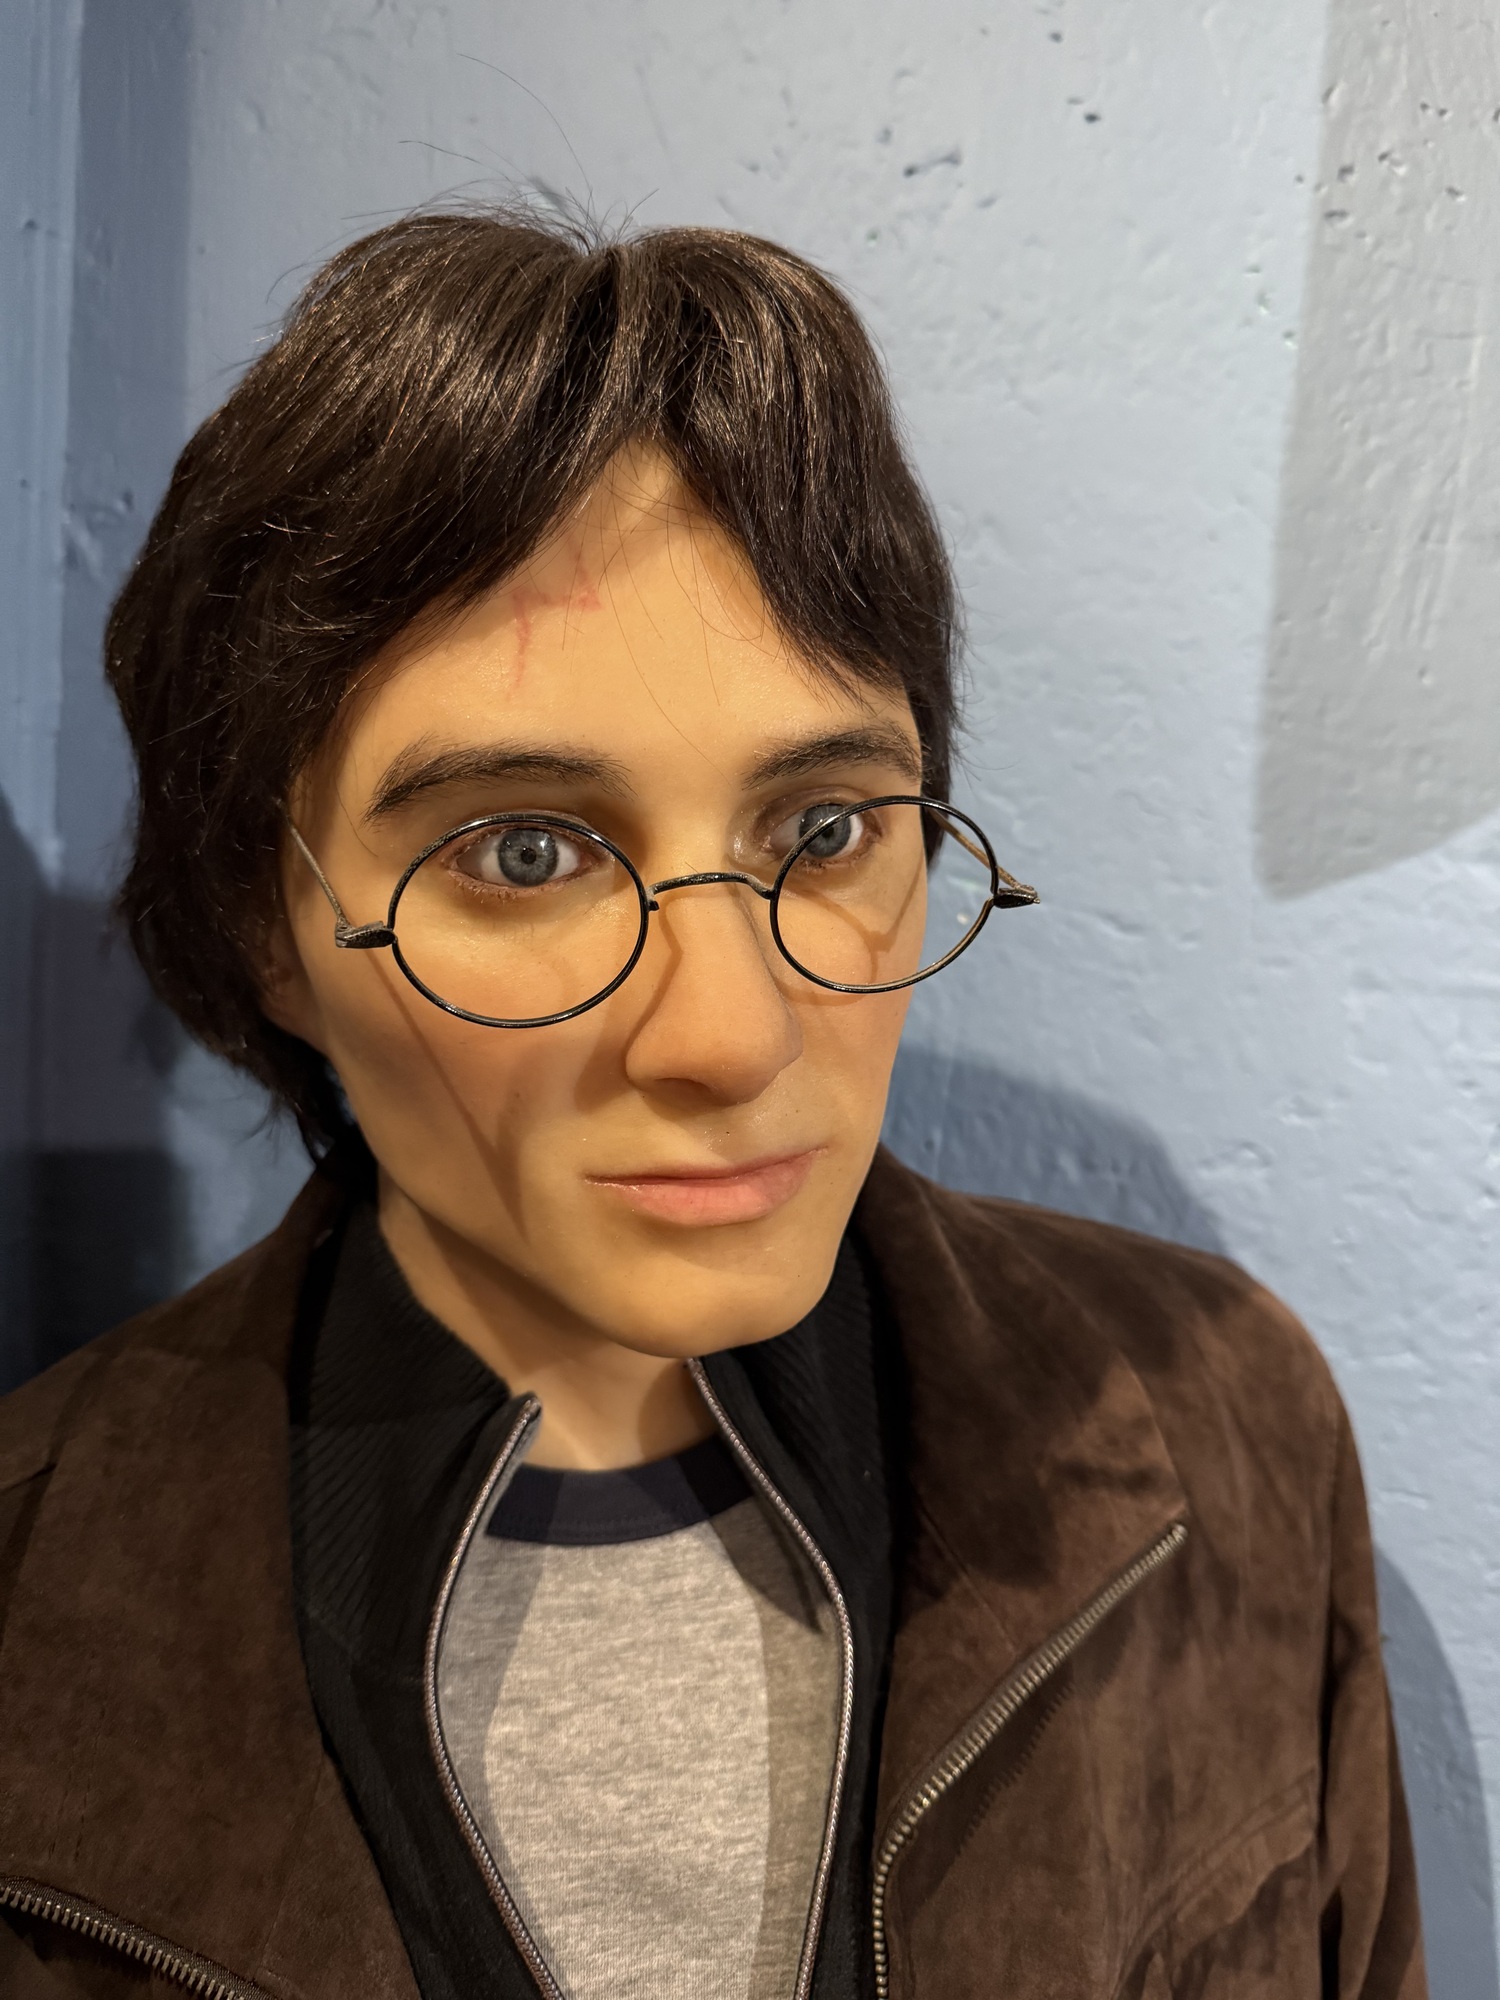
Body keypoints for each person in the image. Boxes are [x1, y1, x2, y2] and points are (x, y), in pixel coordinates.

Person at [0, 212, 1424, 2000]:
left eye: (824, 831)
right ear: (263, 928)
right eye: (524, 853)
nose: (733, 1036)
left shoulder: (1223, 1432)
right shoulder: (37, 1617)